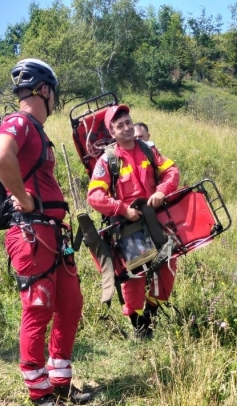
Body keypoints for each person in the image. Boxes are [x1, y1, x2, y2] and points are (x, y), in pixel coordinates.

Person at [0, 58, 91, 406]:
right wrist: (24, 196)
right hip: (31, 233)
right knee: (37, 309)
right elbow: (0, 155)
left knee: (70, 304)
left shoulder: (35, 129)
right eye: (54, 94)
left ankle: (60, 383)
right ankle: (39, 393)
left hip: (52, 234)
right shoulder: (18, 122)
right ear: (45, 91)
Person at [87, 105, 180, 339]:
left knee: (168, 267)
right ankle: (138, 325)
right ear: (112, 131)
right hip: (129, 228)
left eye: (129, 122)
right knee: (135, 277)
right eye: (120, 125)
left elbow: (172, 172)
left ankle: (153, 313)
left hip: (158, 221)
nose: (127, 128)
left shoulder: (149, 150)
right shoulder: (107, 160)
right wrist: (123, 209)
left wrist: (162, 190)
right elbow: (95, 197)